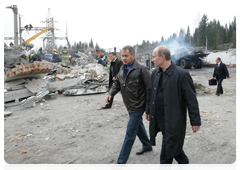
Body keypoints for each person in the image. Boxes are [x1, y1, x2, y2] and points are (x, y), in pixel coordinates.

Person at [145, 46, 201, 170]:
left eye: (154, 56)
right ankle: (183, 160)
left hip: (173, 120)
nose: (152, 59)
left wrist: (195, 121)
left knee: (166, 149)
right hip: (159, 117)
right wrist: (148, 110)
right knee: (172, 143)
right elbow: (150, 92)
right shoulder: (155, 72)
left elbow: (191, 100)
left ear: (162, 57)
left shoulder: (181, 74)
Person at [107, 46, 152, 170]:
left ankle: (121, 162)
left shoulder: (142, 69)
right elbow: (117, 83)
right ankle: (147, 145)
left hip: (138, 105)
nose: (124, 58)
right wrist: (111, 93)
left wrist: (149, 108)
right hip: (129, 105)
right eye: (123, 56)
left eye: (126, 56)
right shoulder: (122, 68)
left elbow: (150, 89)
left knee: (130, 132)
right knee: (138, 126)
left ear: (133, 56)